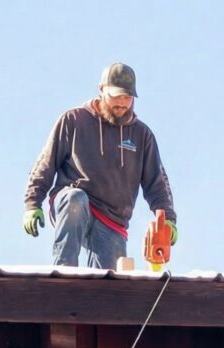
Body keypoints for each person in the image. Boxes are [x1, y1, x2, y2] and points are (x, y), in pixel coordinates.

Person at [23, 61, 178, 269]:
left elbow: (156, 182)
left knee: (111, 285)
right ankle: (64, 274)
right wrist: (33, 203)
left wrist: (167, 218)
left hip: (112, 218)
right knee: (76, 199)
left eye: (127, 97)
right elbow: (46, 162)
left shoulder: (141, 136)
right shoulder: (74, 120)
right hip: (74, 204)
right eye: (116, 97)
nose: (122, 103)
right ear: (102, 90)